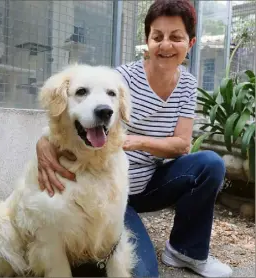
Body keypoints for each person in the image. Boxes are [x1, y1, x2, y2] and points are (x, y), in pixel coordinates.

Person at [35, 0, 233, 277]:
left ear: (190, 43)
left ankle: (185, 250)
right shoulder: (118, 79)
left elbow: (182, 145)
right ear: (147, 40)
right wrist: (42, 142)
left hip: (152, 182)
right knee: (143, 275)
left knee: (210, 164)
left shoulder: (187, 84)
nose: (166, 45)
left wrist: (134, 141)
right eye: (158, 36)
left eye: (176, 37)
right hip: (113, 191)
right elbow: (72, 113)